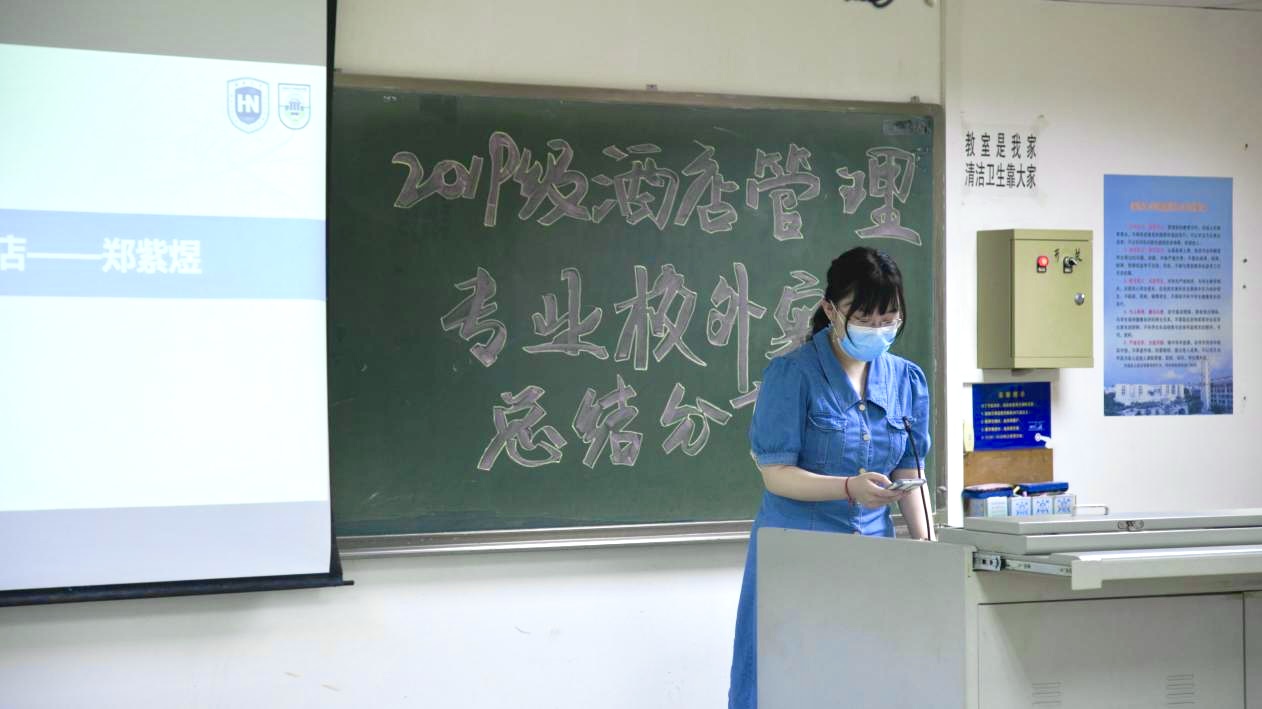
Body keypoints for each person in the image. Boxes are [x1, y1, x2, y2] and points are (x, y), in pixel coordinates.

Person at [727, 246, 934, 709]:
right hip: (798, 557)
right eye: (864, 318)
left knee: (865, 683)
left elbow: (910, 473)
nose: (877, 329)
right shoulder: (793, 374)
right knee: (789, 683)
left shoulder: (907, 380)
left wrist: (927, 550)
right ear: (830, 310)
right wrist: (847, 489)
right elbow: (776, 475)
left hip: (872, 560)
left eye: (888, 319)